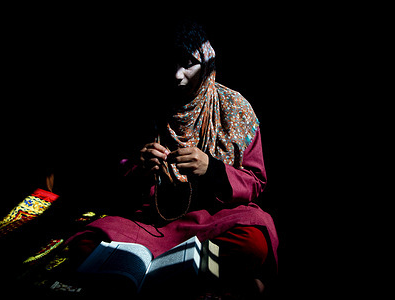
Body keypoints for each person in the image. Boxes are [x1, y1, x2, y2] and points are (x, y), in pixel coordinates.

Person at [66, 20, 278, 297]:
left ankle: (156, 279)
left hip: (212, 219)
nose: (177, 75)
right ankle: (195, 279)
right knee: (86, 244)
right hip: (149, 222)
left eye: (189, 63)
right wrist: (137, 165)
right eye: (171, 62)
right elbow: (111, 173)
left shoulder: (235, 108)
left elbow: (256, 182)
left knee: (253, 243)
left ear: (207, 64)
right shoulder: (146, 103)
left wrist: (212, 169)